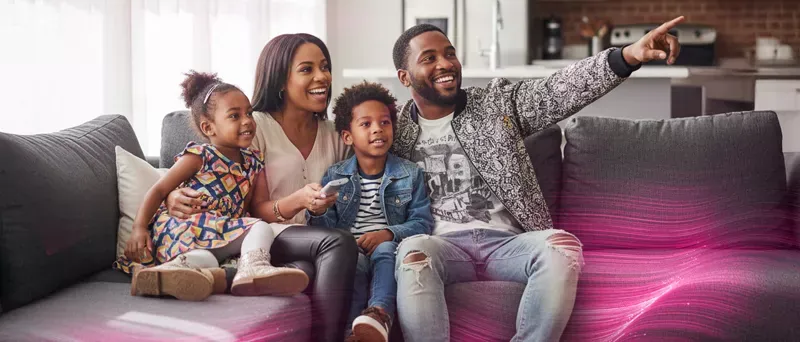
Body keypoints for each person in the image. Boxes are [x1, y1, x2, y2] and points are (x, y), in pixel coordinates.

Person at [389, 16, 685, 341]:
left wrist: (627, 56)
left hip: (510, 244)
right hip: (441, 245)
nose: (445, 64)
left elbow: (559, 90)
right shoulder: (392, 129)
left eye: (449, 53)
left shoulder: (496, 104)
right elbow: (343, 136)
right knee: (413, 252)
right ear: (404, 76)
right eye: (429, 58)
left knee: (562, 247)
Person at [164, 33, 357, 342]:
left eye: (324, 66)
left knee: (303, 271)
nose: (322, 77)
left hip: (301, 242)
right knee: (337, 243)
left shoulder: (336, 134)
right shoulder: (254, 127)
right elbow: (217, 174)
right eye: (306, 69)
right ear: (281, 80)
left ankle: (221, 276)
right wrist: (172, 194)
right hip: (261, 232)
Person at [116, 70, 308, 301]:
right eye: (234, 116)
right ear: (208, 128)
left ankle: (183, 273)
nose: (247, 121)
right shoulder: (200, 155)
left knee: (248, 234)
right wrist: (139, 228)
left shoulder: (254, 162)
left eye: (249, 113)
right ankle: (171, 270)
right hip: (186, 227)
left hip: (219, 232)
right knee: (224, 246)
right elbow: (159, 190)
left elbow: (253, 210)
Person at [307, 81, 433, 342]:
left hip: (390, 246)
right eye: (366, 124)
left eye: (385, 122)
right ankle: (354, 333)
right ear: (347, 137)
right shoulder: (335, 174)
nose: (378, 129)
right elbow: (325, 230)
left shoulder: (410, 173)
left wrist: (387, 233)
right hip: (350, 249)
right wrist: (319, 210)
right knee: (355, 263)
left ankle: (379, 315)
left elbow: (422, 222)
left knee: (385, 251)